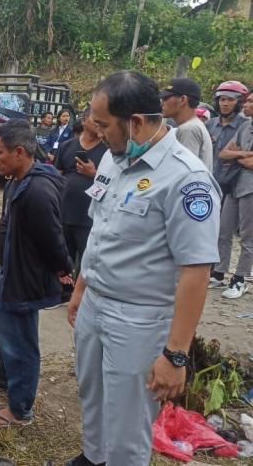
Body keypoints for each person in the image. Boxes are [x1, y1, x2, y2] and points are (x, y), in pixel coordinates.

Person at [66, 71, 220, 466]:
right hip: (96, 304)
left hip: (138, 319)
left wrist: (176, 355)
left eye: (103, 124)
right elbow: (100, 231)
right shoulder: (115, 161)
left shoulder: (185, 179)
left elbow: (196, 271)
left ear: (135, 121)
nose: (97, 132)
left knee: (128, 420)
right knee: (93, 395)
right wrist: (81, 289)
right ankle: (93, 457)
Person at [0, 119, 71, 428]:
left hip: (22, 277)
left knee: (20, 341)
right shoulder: (15, 181)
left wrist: (64, 270)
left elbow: (52, 238)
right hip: (7, 269)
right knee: (2, 328)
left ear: (19, 152)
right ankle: (5, 377)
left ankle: (20, 409)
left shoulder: (37, 190)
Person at [54, 106, 107, 278]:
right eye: (95, 119)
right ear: (84, 121)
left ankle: (80, 295)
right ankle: (61, 293)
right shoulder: (66, 146)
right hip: (65, 213)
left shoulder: (108, 151)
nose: (99, 124)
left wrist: (94, 173)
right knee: (62, 257)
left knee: (86, 258)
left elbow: (115, 182)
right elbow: (57, 175)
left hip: (89, 217)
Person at [211, 115, 253, 298]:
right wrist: (243, 154)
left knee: (247, 236)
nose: (247, 104)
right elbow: (223, 154)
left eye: (251, 101)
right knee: (223, 230)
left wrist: (237, 156)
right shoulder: (246, 126)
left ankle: (240, 279)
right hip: (234, 185)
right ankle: (219, 273)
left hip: (250, 189)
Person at [160, 78, 213, 171]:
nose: (162, 103)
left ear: (183, 100)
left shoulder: (188, 129)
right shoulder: (193, 125)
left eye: (165, 98)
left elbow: (184, 169)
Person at [206, 81, 250, 182]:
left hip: (234, 182)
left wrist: (237, 154)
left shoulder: (245, 127)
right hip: (209, 179)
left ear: (240, 103)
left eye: (230, 100)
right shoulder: (209, 125)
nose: (225, 104)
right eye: (222, 99)